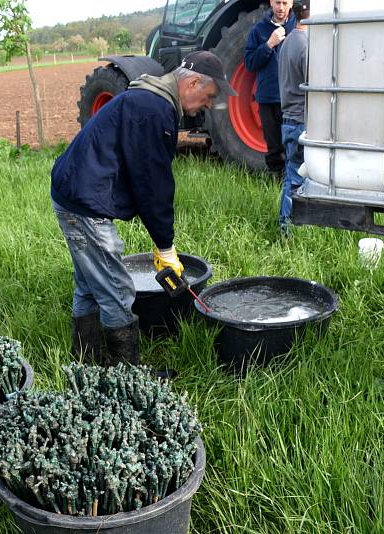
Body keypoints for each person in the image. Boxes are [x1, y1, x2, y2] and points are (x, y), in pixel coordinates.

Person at [51, 51, 236, 366]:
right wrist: (165, 246)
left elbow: (139, 172)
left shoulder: (148, 97)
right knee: (117, 289)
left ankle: (87, 363)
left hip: (72, 191)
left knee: (89, 285)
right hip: (83, 201)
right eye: (208, 97)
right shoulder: (154, 109)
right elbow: (153, 184)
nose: (206, 106)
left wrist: (160, 239)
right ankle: (129, 375)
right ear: (192, 83)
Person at [244, 0, 297, 180]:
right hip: (267, 98)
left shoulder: (299, 27)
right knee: (273, 146)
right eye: (277, 2)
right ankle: (276, 183)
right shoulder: (259, 30)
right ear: (271, 3)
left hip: (292, 98)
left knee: (294, 144)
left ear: (291, 3)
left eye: (284, 2)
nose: (280, 8)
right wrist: (269, 44)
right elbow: (250, 63)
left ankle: (293, 184)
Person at [278, 0, 309, 234]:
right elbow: (314, 87)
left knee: (291, 174)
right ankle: (287, 228)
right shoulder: (306, 44)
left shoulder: (288, 40)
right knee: (297, 178)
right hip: (301, 121)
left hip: (289, 118)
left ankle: (287, 226)